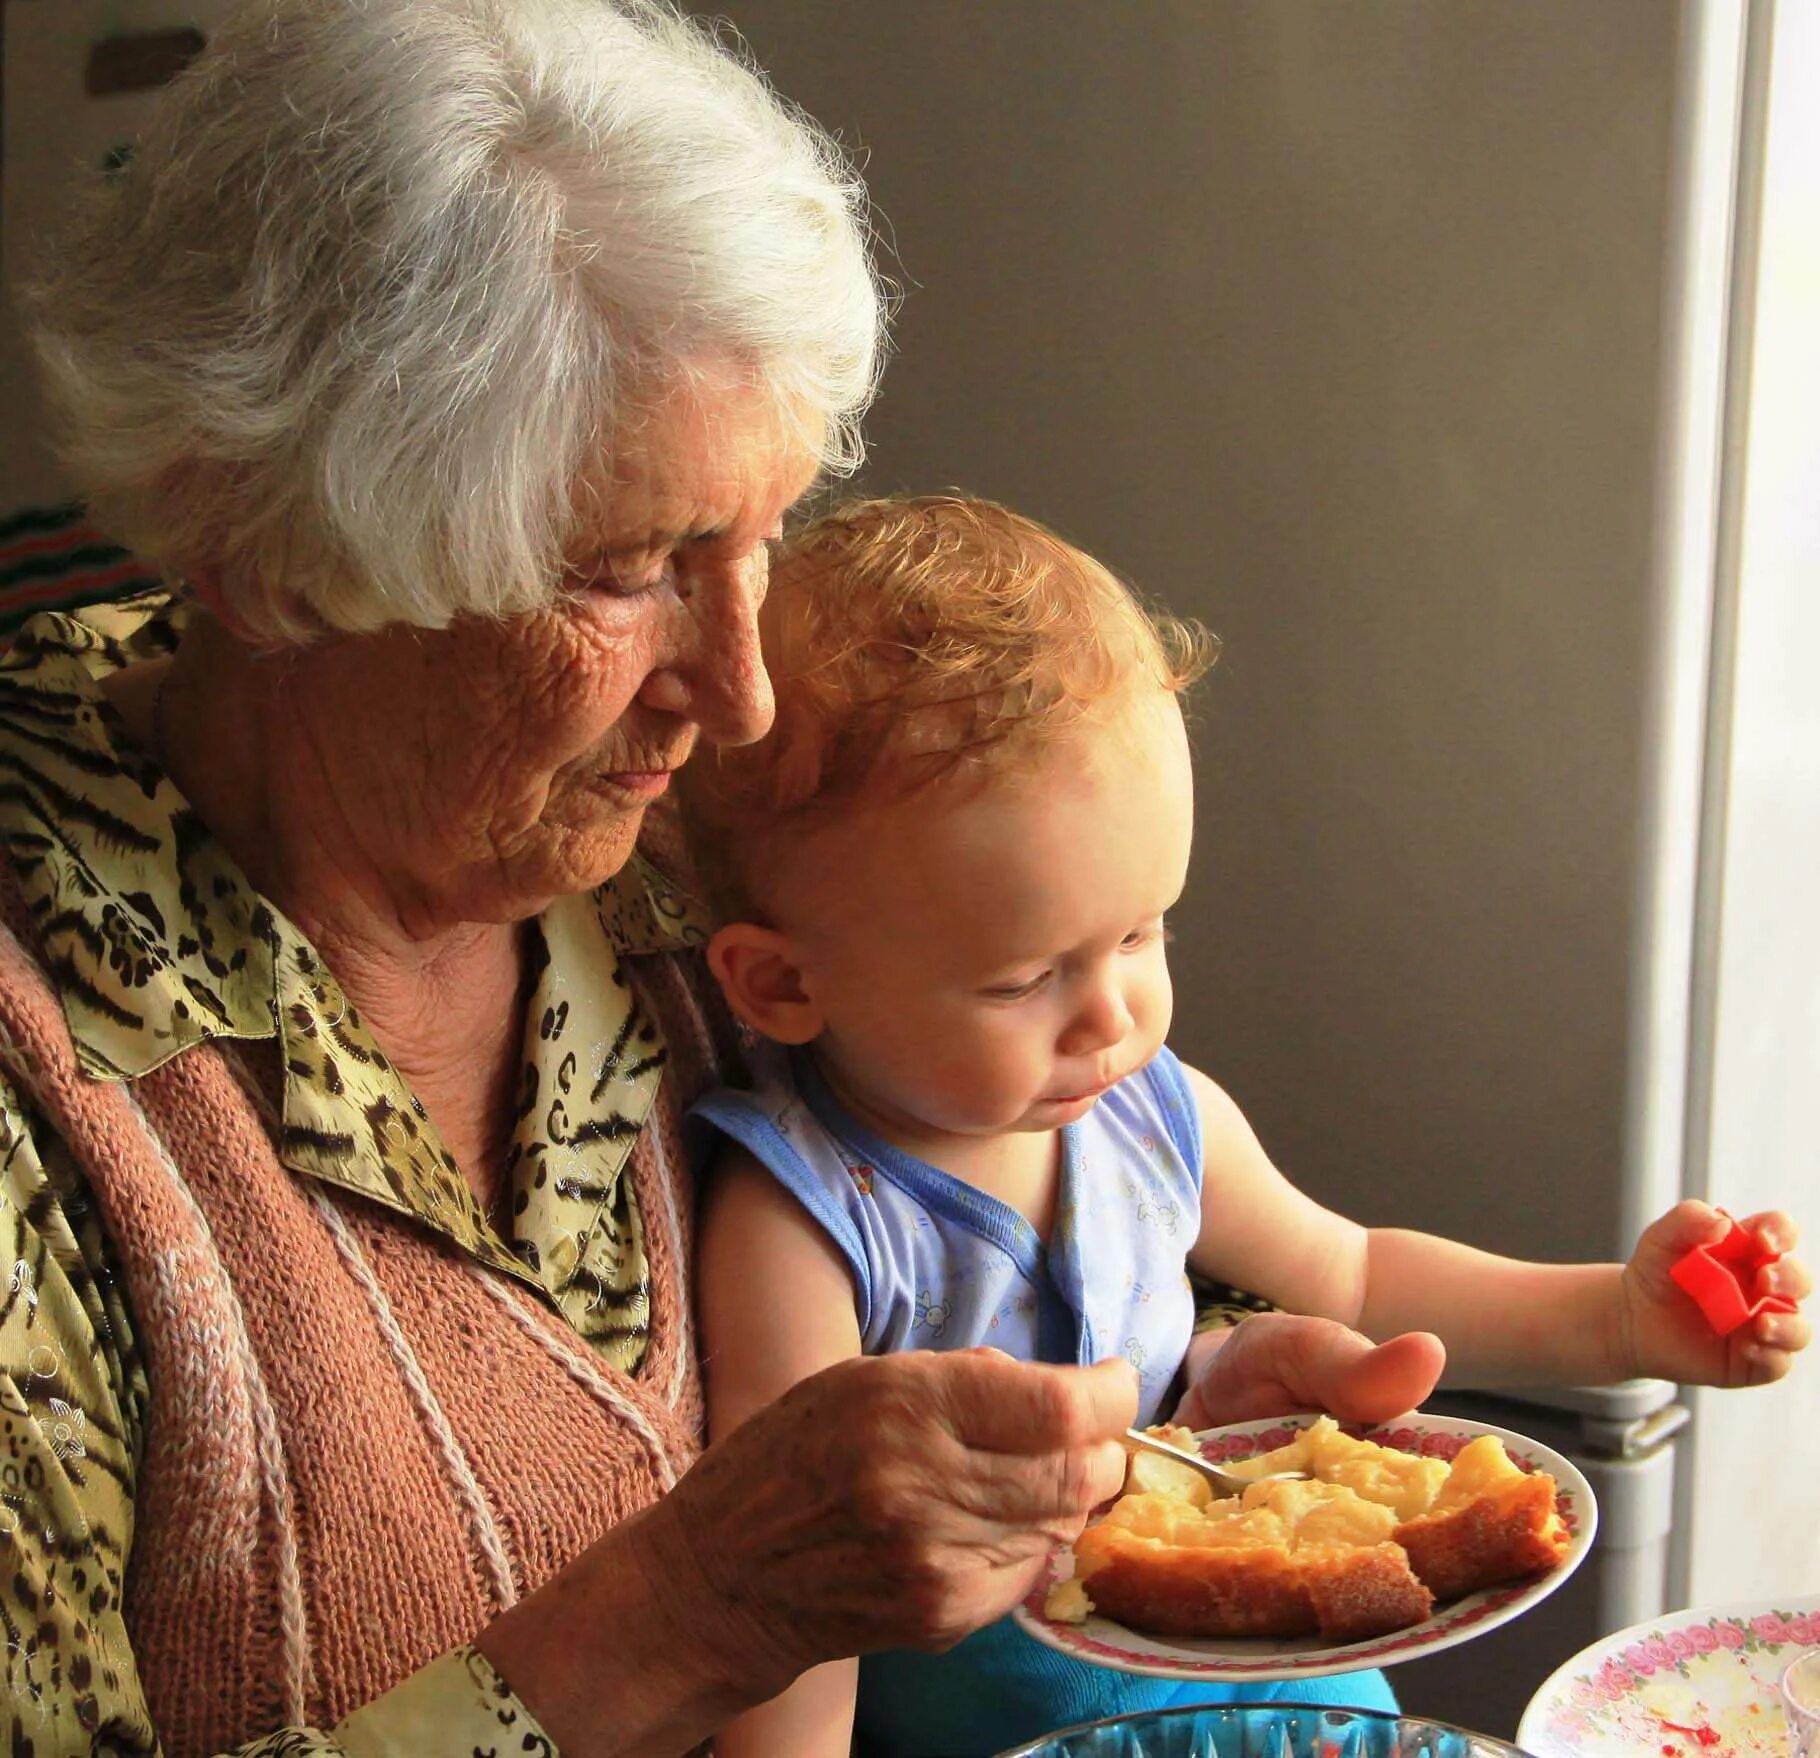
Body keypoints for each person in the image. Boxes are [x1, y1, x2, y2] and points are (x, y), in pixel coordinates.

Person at [0, 4, 1444, 1753]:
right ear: (268, 551)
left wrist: (1189, 1385)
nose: (746, 689)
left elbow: (951, 1179)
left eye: (756, 536)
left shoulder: (666, 820)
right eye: (627, 570)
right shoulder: (52, 1087)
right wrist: (695, 1608)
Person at [680, 495, 1814, 1758]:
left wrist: (1618, 1320)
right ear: (782, 985)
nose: (1109, 1016)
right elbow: (797, 1598)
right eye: (1020, 980)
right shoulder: (802, 1222)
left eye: (1138, 933)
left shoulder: (1151, 1116)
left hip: (1294, 1701)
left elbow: (1359, 1272)